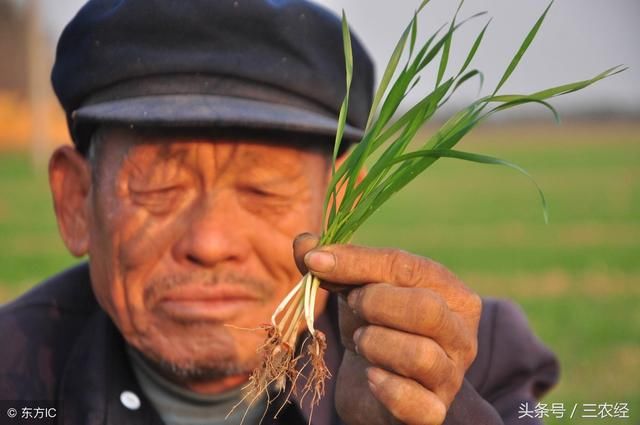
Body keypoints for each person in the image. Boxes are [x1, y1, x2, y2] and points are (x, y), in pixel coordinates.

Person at [0, 1, 559, 424]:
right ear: (76, 202)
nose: (212, 240)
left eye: (264, 188)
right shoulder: (14, 375)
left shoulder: (462, 360)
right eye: (159, 186)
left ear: (340, 204)